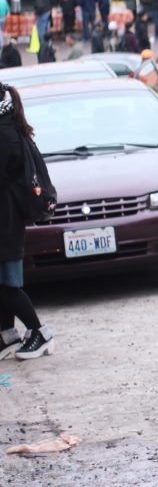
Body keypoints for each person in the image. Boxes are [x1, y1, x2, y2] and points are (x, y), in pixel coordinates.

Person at [0, 83, 55, 360]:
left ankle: (39, 332)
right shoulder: (7, 124)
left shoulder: (4, 133)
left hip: (6, 218)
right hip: (7, 217)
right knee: (4, 281)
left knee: (7, 285)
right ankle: (7, 335)